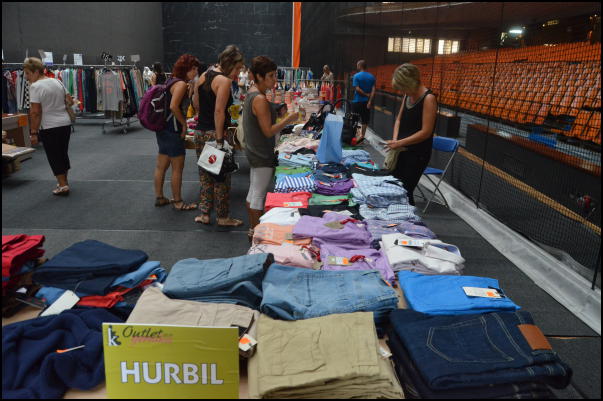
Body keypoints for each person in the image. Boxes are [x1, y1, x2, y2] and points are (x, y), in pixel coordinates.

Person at [243, 56, 299, 241]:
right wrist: (288, 120)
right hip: (261, 153)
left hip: (255, 151)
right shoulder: (259, 98)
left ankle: (252, 232)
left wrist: (275, 110)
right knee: (258, 195)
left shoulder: (253, 93)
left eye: (275, 75)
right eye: (271, 76)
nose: (275, 79)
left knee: (253, 193)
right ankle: (256, 236)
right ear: (259, 76)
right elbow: (268, 131)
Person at [193, 45, 245, 226]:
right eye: (237, 68)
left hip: (200, 131)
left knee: (205, 176)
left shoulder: (203, 75)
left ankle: (205, 214)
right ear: (229, 64)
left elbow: (196, 102)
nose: (238, 73)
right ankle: (222, 217)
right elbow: (219, 111)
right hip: (215, 133)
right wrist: (220, 139)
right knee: (221, 177)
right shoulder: (223, 81)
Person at [385, 63, 437, 206]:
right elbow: (399, 120)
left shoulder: (429, 99)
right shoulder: (407, 96)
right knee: (394, 186)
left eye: (402, 87)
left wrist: (399, 143)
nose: (402, 91)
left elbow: (426, 132)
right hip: (401, 149)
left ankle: (409, 217)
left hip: (417, 154)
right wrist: (395, 140)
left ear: (410, 83)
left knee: (405, 191)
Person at [153, 54, 200, 210]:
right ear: (187, 69)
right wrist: (184, 125)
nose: (196, 72)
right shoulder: (180, 84)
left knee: (161, 165)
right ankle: (178, 201)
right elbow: (174, 106)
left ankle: (160, 197)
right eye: (194, 69)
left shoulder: (171, 80)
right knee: (177, 167)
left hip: (163, 127)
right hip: (173, 129)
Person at [25, 57, 74, 196]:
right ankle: (64, 182)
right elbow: (70, 101)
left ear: (36, 71)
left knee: (54, 155)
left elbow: (35, 112)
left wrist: (33, 132)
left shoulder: (35, 87)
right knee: (62, 153)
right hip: (65, 123)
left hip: (49, 126)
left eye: (28, 73)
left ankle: (63, 185)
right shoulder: (57, 81)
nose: (26, 77)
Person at [351, 59, 376, 144]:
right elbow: (373, 90)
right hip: (366, 103)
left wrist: (365, 94)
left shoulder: (356, 76)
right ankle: (362, 136)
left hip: (357, 101)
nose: (356, 67)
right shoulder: (372, 77)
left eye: (357, 65)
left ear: (360, 66)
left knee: (354, 119)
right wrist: (370, 101)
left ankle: (353, 136)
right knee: (365, 120)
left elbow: (357, 89)